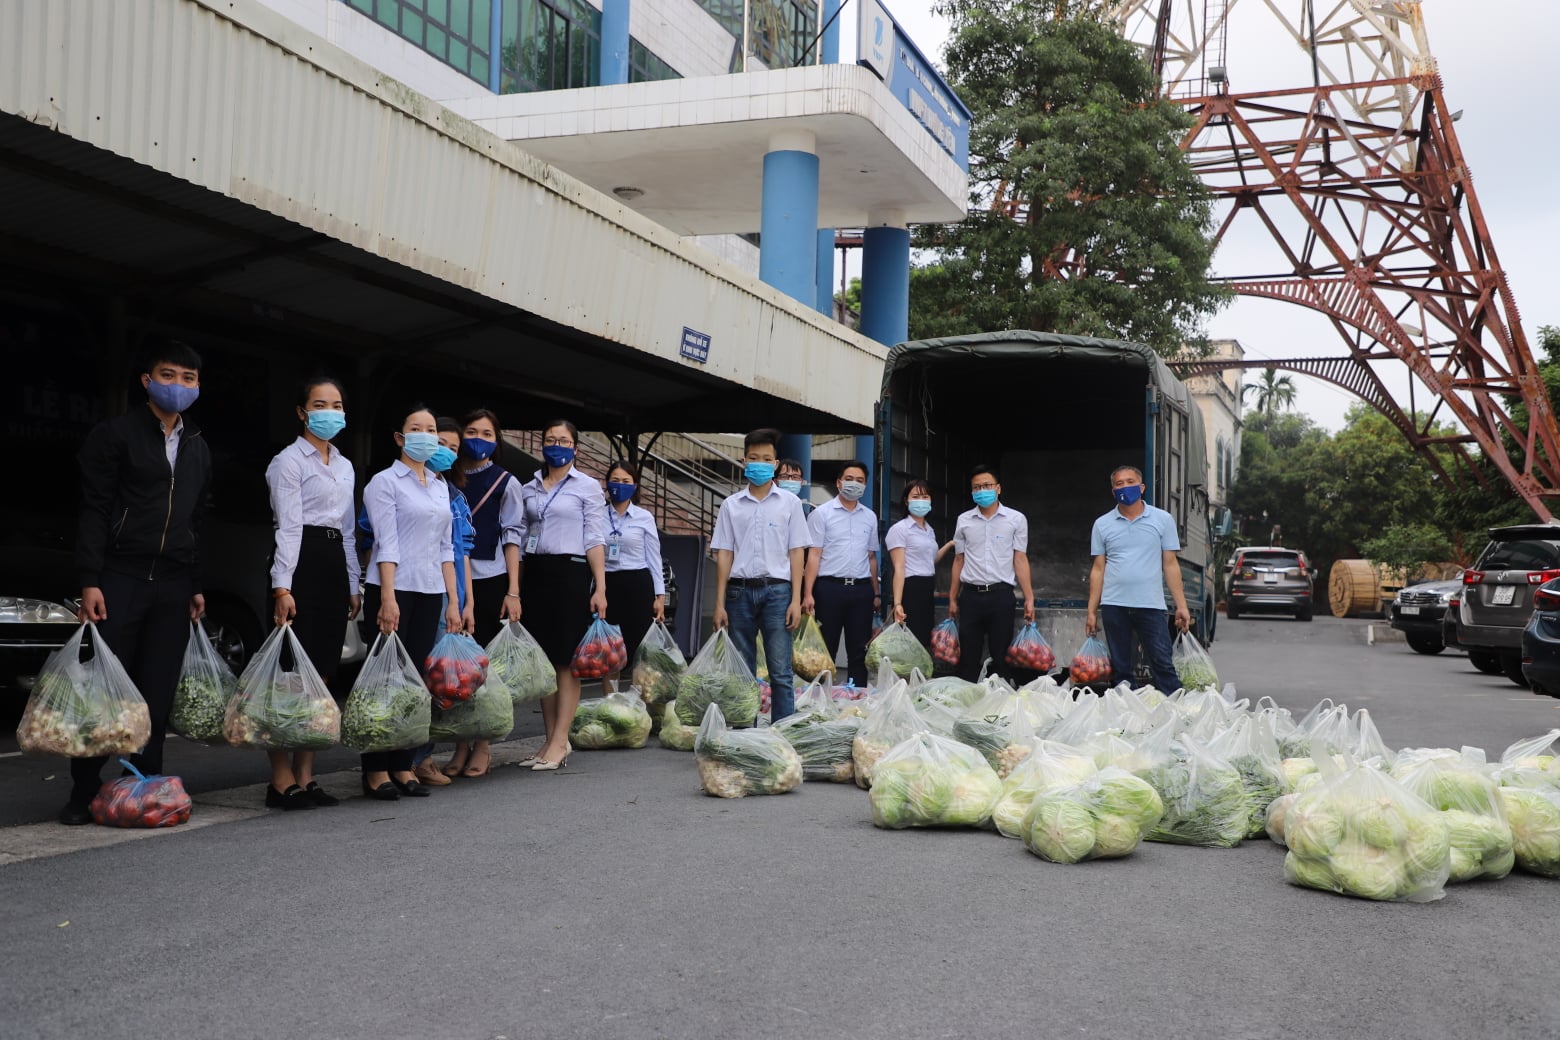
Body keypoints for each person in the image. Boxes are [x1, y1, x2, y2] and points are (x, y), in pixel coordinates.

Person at [63, 341, 213, 825]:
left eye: (188, 378)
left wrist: (195, 581)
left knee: (156, 690)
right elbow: (94, 509)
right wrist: (90, 579)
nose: (179, 385)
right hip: (120, 577)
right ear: (147, 381)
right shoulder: (116, 435)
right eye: (169, 375)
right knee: (105, 688)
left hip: (172, 582)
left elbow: (196, 519)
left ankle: (147, 788)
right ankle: (83, 790)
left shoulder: (197, 445)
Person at [264, 376, 361, 810]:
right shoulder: (288, 462)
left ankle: (307, 775)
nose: (330, 412)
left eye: (337, 404)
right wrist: (282, 585)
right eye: (320, 404)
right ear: (302, 412)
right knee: (290, 677)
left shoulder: (344, 464)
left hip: (333, 565)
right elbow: (286, 525)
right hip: (300, 563)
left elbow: (348, 529)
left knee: (321, 675)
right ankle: (280, 777)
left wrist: (353, 581)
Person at [360, 405, 463, 800]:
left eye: (431, 429)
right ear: (400, 437)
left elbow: (446, 549)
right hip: (394, 590)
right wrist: (387, 598)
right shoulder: (384, 483)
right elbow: (384, 542)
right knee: (385, 681)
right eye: (416, 428)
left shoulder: (439, 485)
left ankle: (402, 764)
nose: (426, 435)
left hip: (429, 589)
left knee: (414, 682)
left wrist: (452, 601)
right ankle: (375, 769)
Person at [517, 419, 608, 771]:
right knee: (543, 662)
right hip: (537, 573)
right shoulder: (530, 487)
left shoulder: (587, 487)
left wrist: (600, 586)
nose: (556, 445)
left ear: (576, 448)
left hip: (571, 573)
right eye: (550, 439)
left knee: (566, 662)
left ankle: (560, 741)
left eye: (564, 440)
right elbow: (523, 538)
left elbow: (595, 538)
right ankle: (548, 739)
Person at [439, 408, 521, 780]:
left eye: (487, 434)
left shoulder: (507, 482)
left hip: (489, 580)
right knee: (456, 668)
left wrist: (513, 590)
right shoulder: (446, 476)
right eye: (471, 431)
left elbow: (512, 536)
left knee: (483, 667)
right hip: (450, 580)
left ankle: (483, 744)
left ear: (497, 441)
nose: (478, 439)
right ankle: (459, 743)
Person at [710, 428, 810, 721]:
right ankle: (746, 735)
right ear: (744, 460)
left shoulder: (790, 504)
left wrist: (796, 599)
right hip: (738, 593)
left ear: (776, 464)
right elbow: (724, 553)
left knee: (781, 672)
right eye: (754, 458)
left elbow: (797, 552)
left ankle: (782, 736)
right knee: (742, 671)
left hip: (778, 593)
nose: (760, 464)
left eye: (767, 459)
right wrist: (718, 604)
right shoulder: (731, 505)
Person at [409, 418, 477, 787]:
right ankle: (408, 756)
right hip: (418, 588)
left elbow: (462, 552)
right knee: (416, 675)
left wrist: (466, 602)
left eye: (453, 448)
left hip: (451, 597)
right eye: (441, 443)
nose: (446, 452)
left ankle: (423, 755)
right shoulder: (403, 486)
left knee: (441, 682)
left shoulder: (454, 496)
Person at [1086, 464, 1191, 692]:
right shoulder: (1102, 524)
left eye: (1131, 482)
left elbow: (1170, 564)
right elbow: (1098, 569)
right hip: (1114, 605)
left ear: (1142, 487)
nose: (1125, 487)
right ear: (1113, 491)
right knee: (1122, 668)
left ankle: (1175, 711)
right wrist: (1092, 611)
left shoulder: (1162, 520)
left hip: (1150, 605)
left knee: (1162, 663)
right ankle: (1126, 716)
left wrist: (1181, 606)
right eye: (1119, 484)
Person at [948, 464, 1035, 682]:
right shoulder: (964, 520)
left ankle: (1001, 702)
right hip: (970, 596)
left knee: (1001, 654)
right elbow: (959, 560)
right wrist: (952, 598)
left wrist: (1029, 597)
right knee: (969, 654)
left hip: (1001, 595)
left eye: (986, 485)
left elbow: (1020, 559)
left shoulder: (1016, 519)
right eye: (976, 487)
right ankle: (968, 699)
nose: (981, 491)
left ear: (998, 488)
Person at [801, 460, 879, 687]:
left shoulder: (870, 517)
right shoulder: (822, 514)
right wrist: (808, 594)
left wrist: (876, 593)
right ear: (838, 483)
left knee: (859, 649)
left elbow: (871, 557)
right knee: (826, 647)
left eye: (860, 481)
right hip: (829, 589)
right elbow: (814, 555)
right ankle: (820, 699)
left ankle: (857, 698)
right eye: (849, 479)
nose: (854, 484)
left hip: (861, 590)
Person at [601, 460, 666, 677]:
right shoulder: (596, 515)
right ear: (607, 484)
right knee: (610, 652)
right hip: (607, 585)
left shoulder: (644, 517)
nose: (620, 485)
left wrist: (660, 595)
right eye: (615, 480)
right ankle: (612, 701)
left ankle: (638, 704)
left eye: (626, 481)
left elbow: (654, 558)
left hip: (638, 585)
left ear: (635, 485)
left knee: (640, 650)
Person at [886, 479, 954, 652]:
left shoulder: (928, 529)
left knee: (923, 639)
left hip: (927, 587)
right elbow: (899, 567)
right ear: (906, 501)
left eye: (925, 496)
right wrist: (898, 603)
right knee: (910, 640)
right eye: (916, 496)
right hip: (911, 588)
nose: (921, 500)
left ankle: (920, 677)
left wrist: (951, 544)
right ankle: (906, 678)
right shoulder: (900, 529)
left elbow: (930, 560)